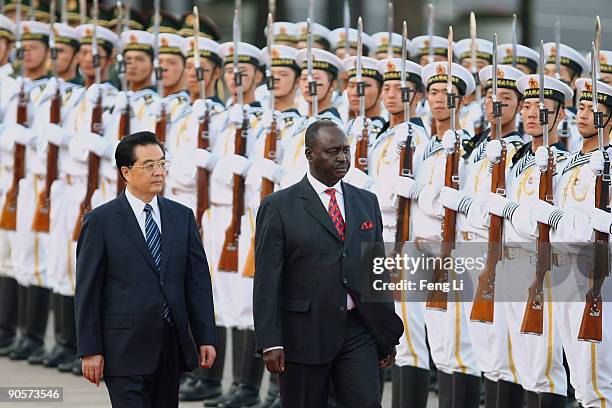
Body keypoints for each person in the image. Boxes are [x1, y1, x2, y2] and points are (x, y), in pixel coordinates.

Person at [253, 120, 402, 407]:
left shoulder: (366, 201)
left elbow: (376, 272)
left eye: (346, 151)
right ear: (310, 154)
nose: (343, 159)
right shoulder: (278, 206)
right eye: (333, 151)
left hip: (358, 330)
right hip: (303, 334)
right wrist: (270, 342)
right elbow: (267, 280)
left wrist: (386, 334)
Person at [75, 131, 217, 407]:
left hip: (170, 346)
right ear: (126, 172)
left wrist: (205, 337)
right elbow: (87, 291)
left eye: (162, 164)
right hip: (123, 347)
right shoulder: (100, 222)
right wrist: (90, 350)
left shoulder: (181, 217)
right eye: (149, 165)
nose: (158, 172)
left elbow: (197, 283)